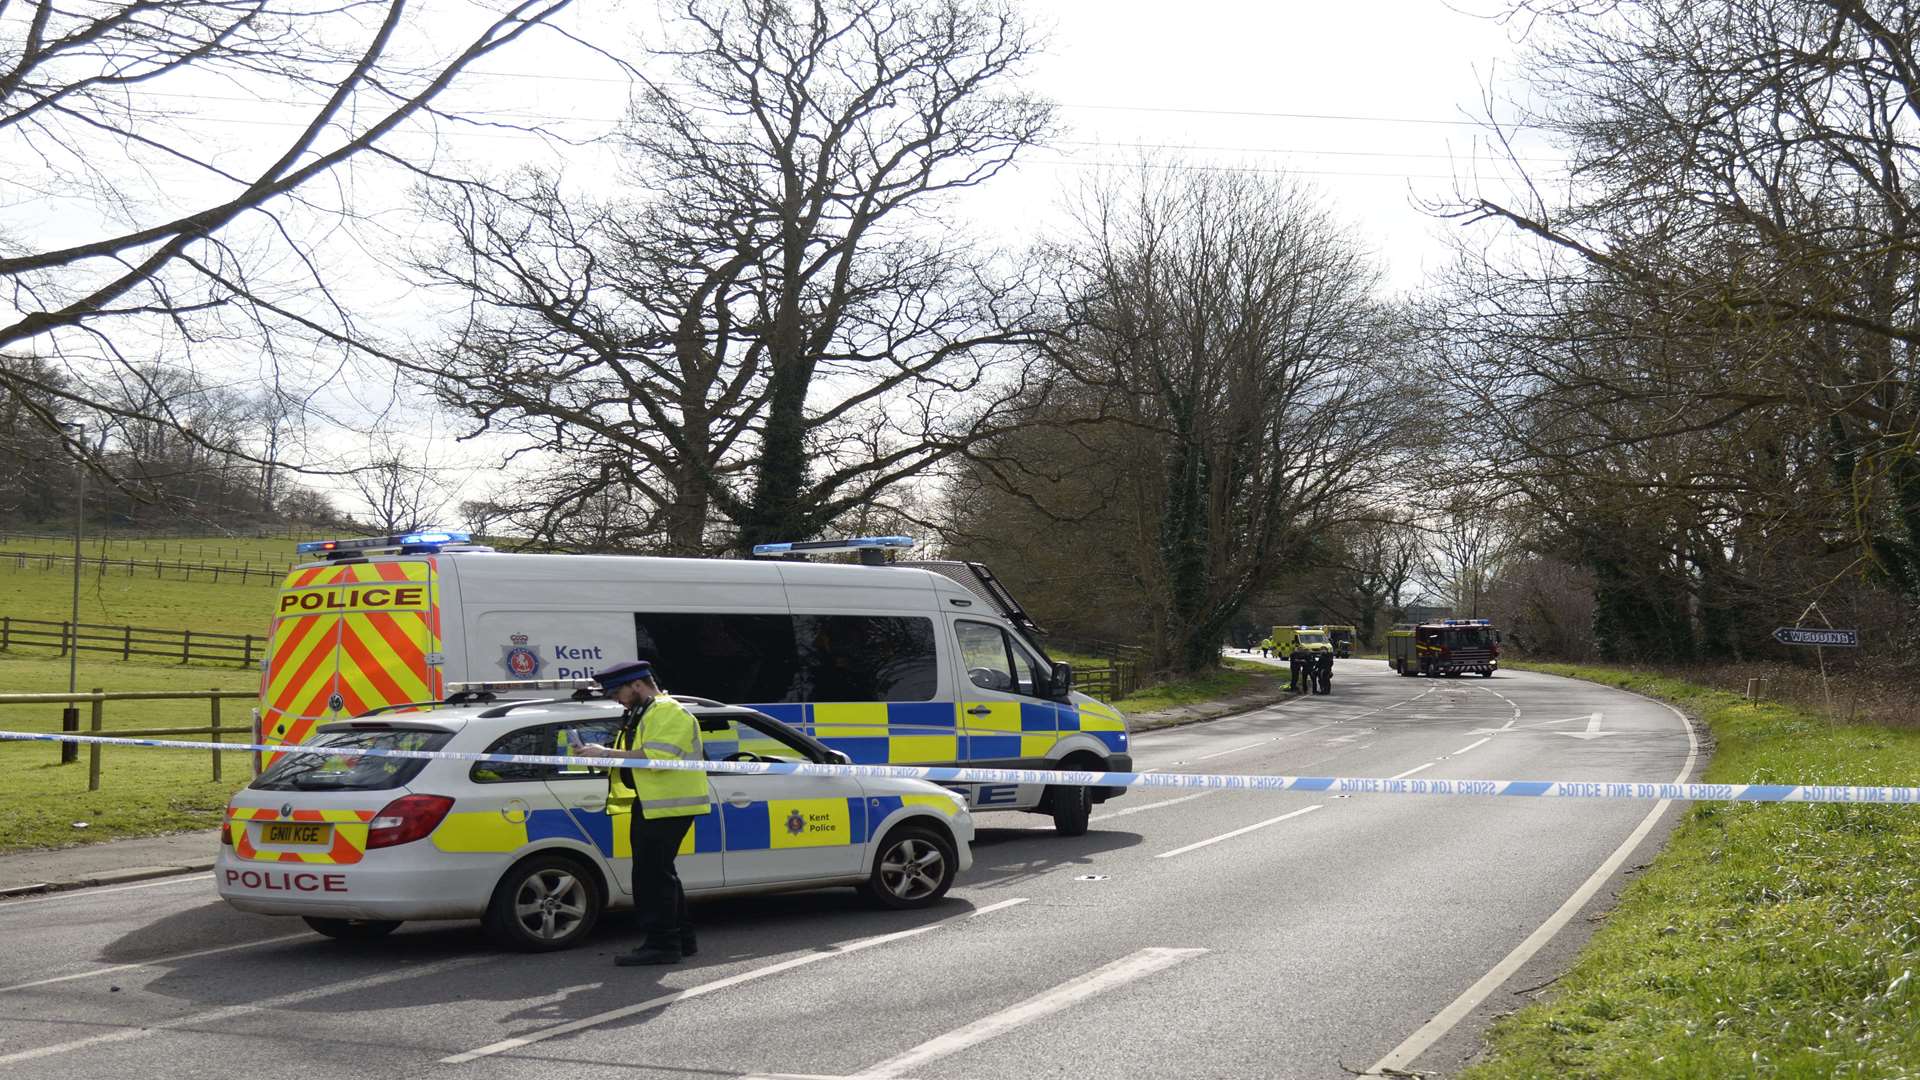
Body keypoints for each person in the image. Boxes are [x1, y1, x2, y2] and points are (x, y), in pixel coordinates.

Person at [576, 660, 712, 966]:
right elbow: (633, 757)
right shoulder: (644, 712)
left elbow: (658, 757)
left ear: (636, 684)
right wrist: (598, 755)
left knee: (652, 876)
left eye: (617, 692)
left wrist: (607, 753)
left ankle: (662, 945)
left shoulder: (666, 711)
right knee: (661, 873)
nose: (615, 699)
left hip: (669, 804)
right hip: (655, 803)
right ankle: (681, 940)